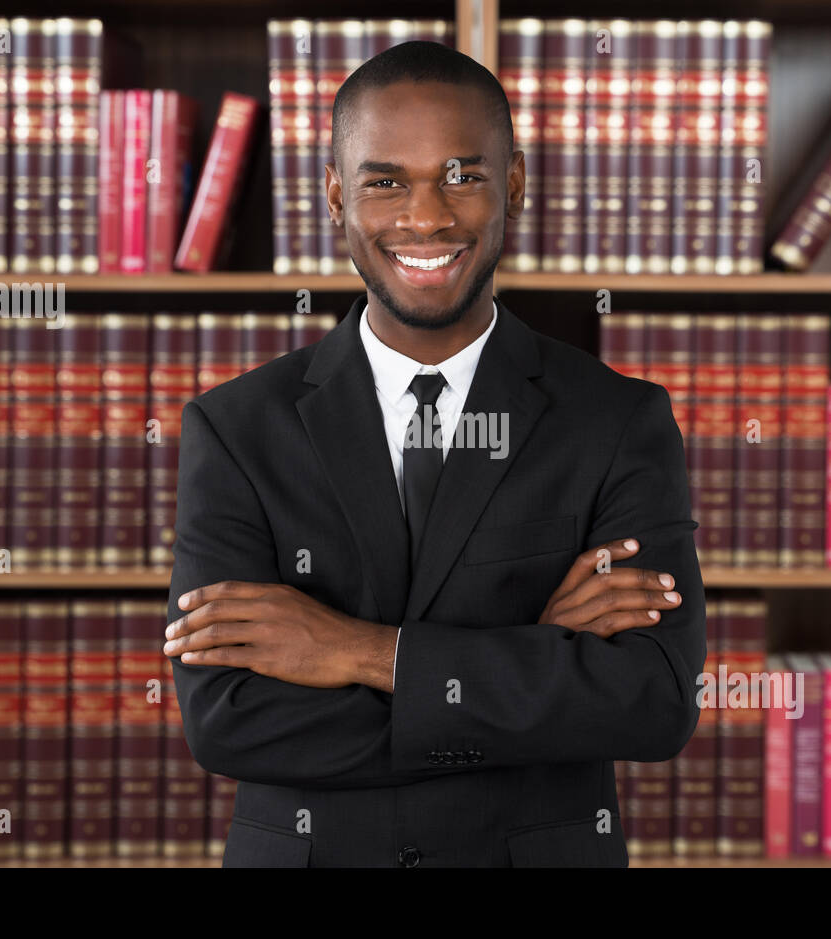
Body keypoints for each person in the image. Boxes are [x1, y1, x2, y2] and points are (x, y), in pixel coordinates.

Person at [163, 40, 706, 867]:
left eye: (462, 175)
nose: (426, 218)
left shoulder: (619, 419)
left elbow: (650, 701)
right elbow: (227, 717)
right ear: (338, 197)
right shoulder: (235, 429)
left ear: (513, 184)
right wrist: (534, 660)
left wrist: (351, 651)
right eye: (386, 182)